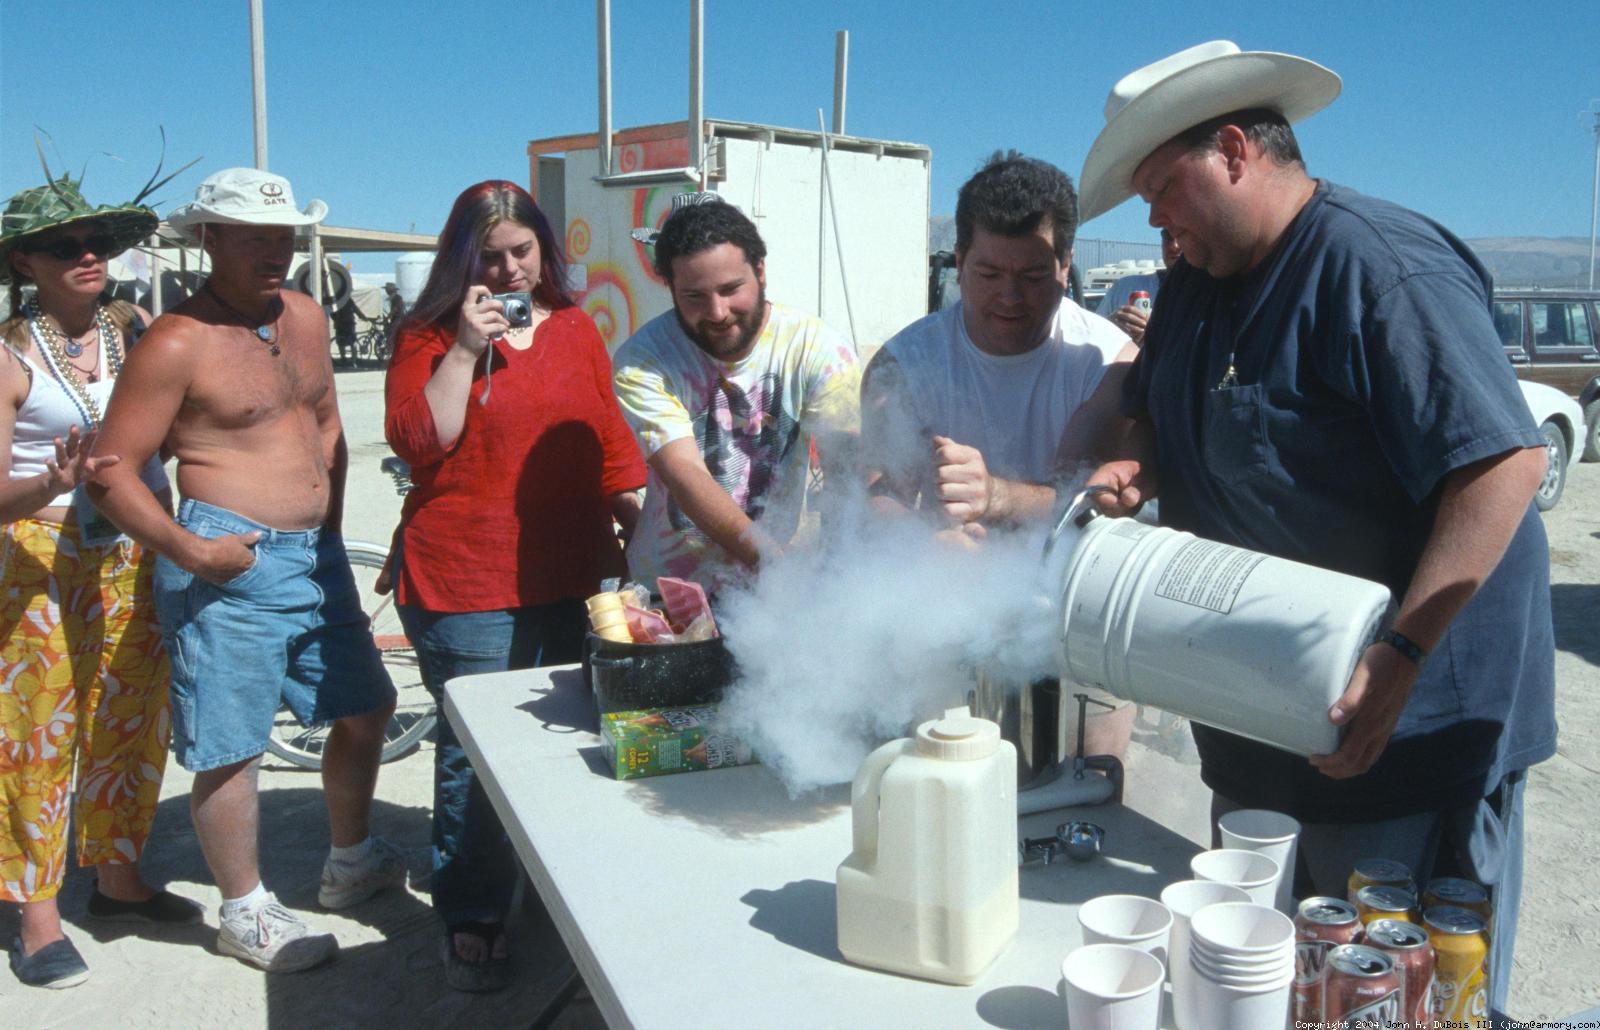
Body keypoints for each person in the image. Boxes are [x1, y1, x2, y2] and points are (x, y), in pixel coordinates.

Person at [1077, 41, 1555, 1011]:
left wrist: (1402, 652)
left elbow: (1503, 463)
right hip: (1263, 715)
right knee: (1269, 980)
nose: (1153, 216)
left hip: (1402, 725)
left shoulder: (1377, 268)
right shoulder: (1195, 282)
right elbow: (1153, 403)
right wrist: (1137, 457)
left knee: (1389, 988)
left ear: (1232, 150)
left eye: (1162, 186)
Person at [86, 168, 409, 974]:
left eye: (285, 236)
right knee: (232, 744)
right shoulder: (177, 340)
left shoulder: (302, 315)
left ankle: (349, 861)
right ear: (209, 238)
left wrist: (329, 532)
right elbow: (108, 470)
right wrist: (193, 553)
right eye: (255, 236)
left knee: (367, 706)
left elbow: (327, 421)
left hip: (314, 555)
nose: (275, 251)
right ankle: (243, 911)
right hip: (227, 554)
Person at [384, 180, 645, 991]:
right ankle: (472, 911)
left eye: (521, 253)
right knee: (477, 755)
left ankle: (554, 889)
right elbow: (421, 442)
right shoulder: (429, 334)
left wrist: (638, 532)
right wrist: (464, 347)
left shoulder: (573, 327)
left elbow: (606, 436)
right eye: (488, 258)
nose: (507, 271)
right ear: (462, 260)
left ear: (544, 249)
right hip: (468, 579)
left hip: (573, 571)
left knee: (570, 738)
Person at [859, 153, 1137, 758]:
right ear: (957, 263)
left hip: (1078, 624)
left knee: (1091, 790)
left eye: (1035, 276)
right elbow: (879, 496)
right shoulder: (903, 367)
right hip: (948, 618)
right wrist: (922, 542)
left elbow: (1112, 509)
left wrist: (999, 496)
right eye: (987, 274)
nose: (1010, 297)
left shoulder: (1110, 362)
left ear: (1068, 267)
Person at [1, 175, 203, 990]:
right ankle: (35, 912)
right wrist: (51, 484)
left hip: (133, 547)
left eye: (97, 243)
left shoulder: (138, 331)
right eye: (62, 246)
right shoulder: (10, 356)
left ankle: (117, 882)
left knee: (130, 713)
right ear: (25, 261)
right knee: (36, 732)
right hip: (40, 558)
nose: (86, 256)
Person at [612, 196, 859, 593]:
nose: (717, 311)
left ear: (760, 271)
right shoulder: (642, 360)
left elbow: (847, 473)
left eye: (731, 289)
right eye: (694, 296)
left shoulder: (819, 349)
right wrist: (773, 563)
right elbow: (686, 473)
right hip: (671, 594)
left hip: (778, 594)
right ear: (669, 286)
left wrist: (838, 570)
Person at [1094, 227, 1181, 344]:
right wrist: (1112, 326)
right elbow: (1092, 335)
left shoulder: (1209, 296)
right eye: (1167, 236)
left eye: (1182, 235)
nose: (1174, 246)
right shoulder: (1124, 287)